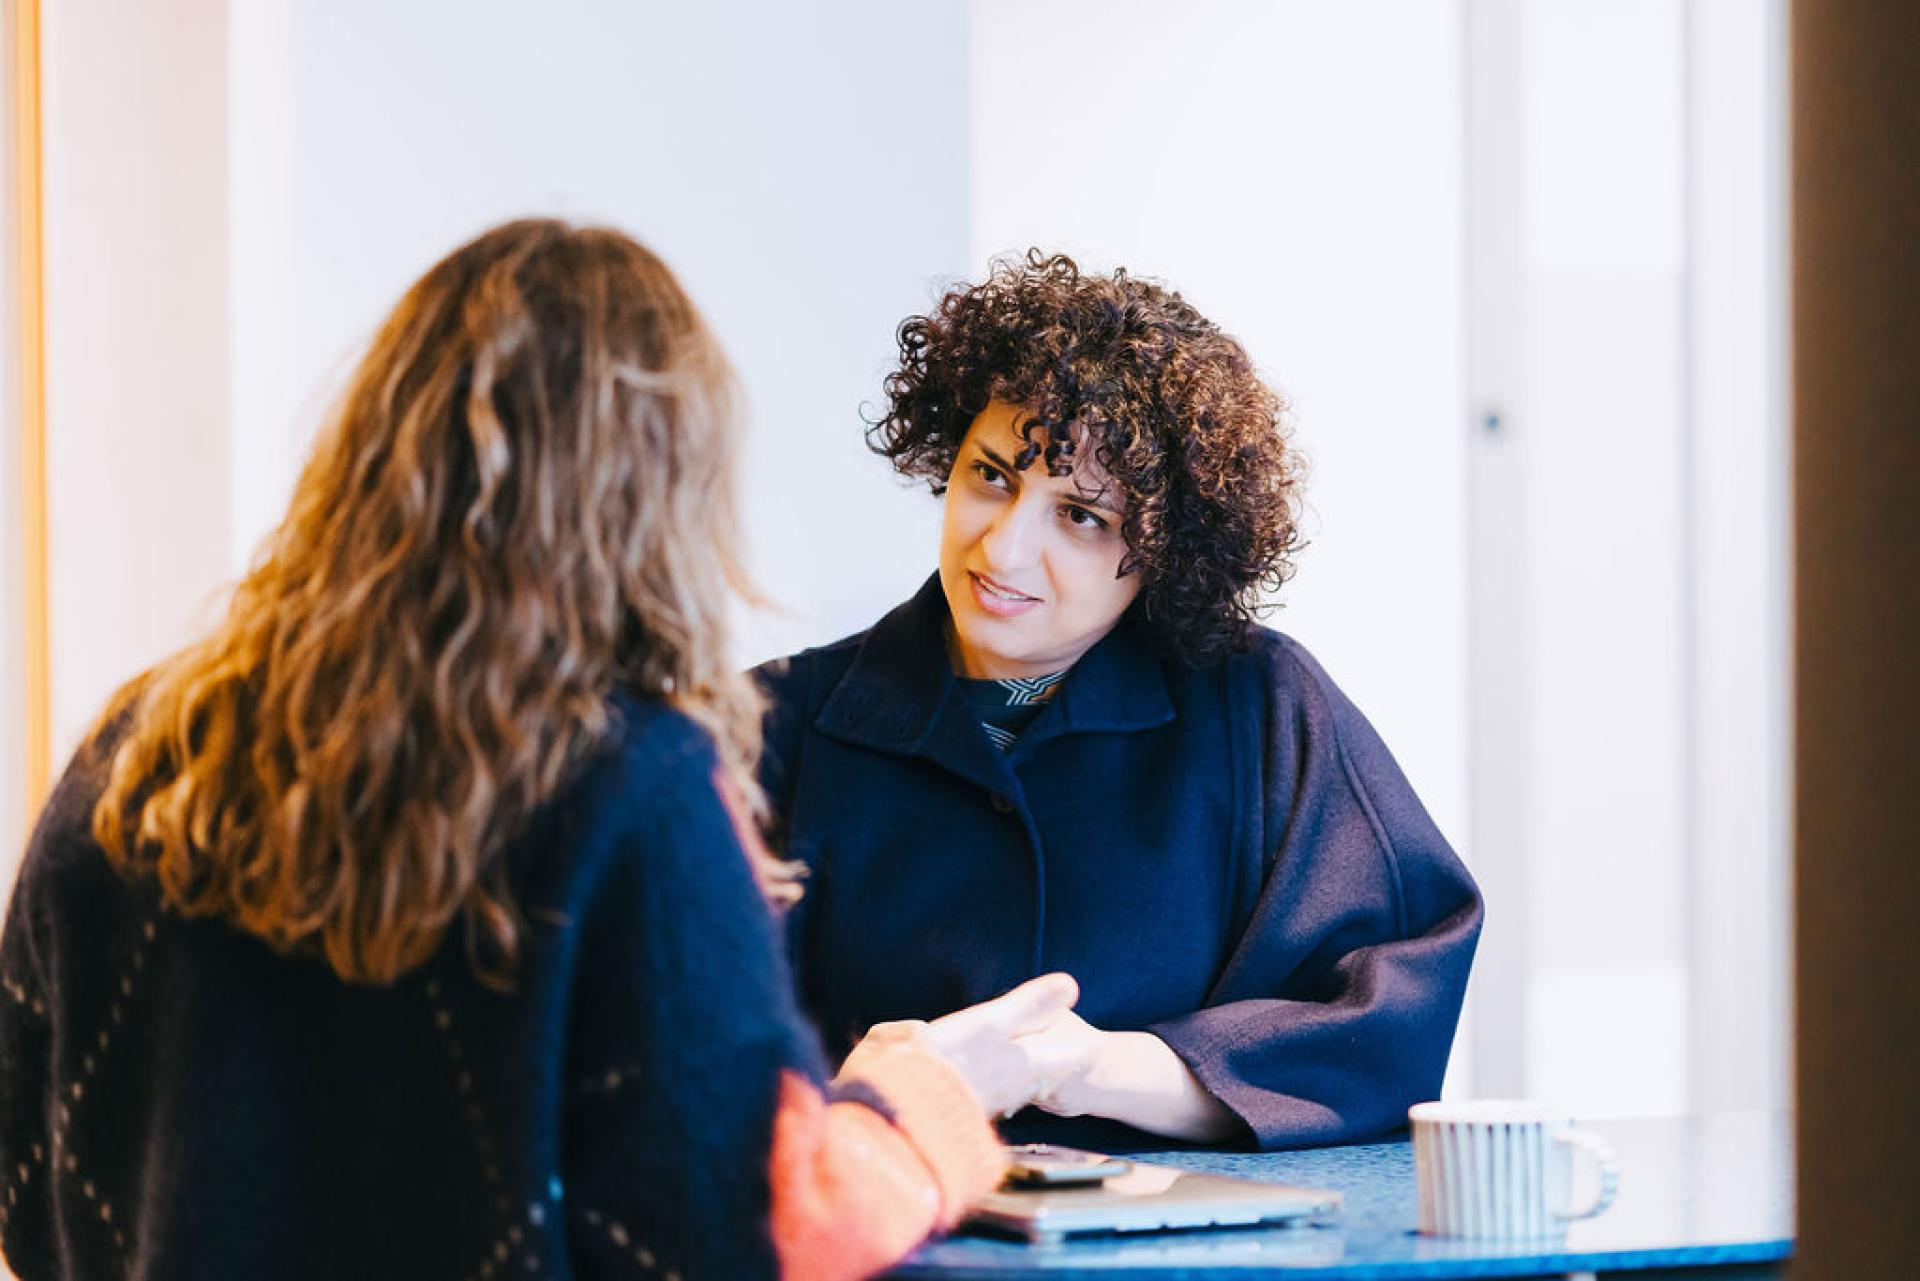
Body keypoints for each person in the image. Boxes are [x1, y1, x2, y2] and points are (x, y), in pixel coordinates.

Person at [0, 220, 1081, 1281]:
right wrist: (928, 1094)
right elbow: (767, 1229)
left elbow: (31, 1182)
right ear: (659, 501)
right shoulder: (628, 786)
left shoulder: (146, 741)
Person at [756, 250, 1484, 1153]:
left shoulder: (1264, 709)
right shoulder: (768, 722)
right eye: (991, 475)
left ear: (1169, 546)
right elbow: (663, 1078)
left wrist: (1105, 1066)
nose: (1006, 549)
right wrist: (870, 1103)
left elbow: (1391, 1016)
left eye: (1082, 515)